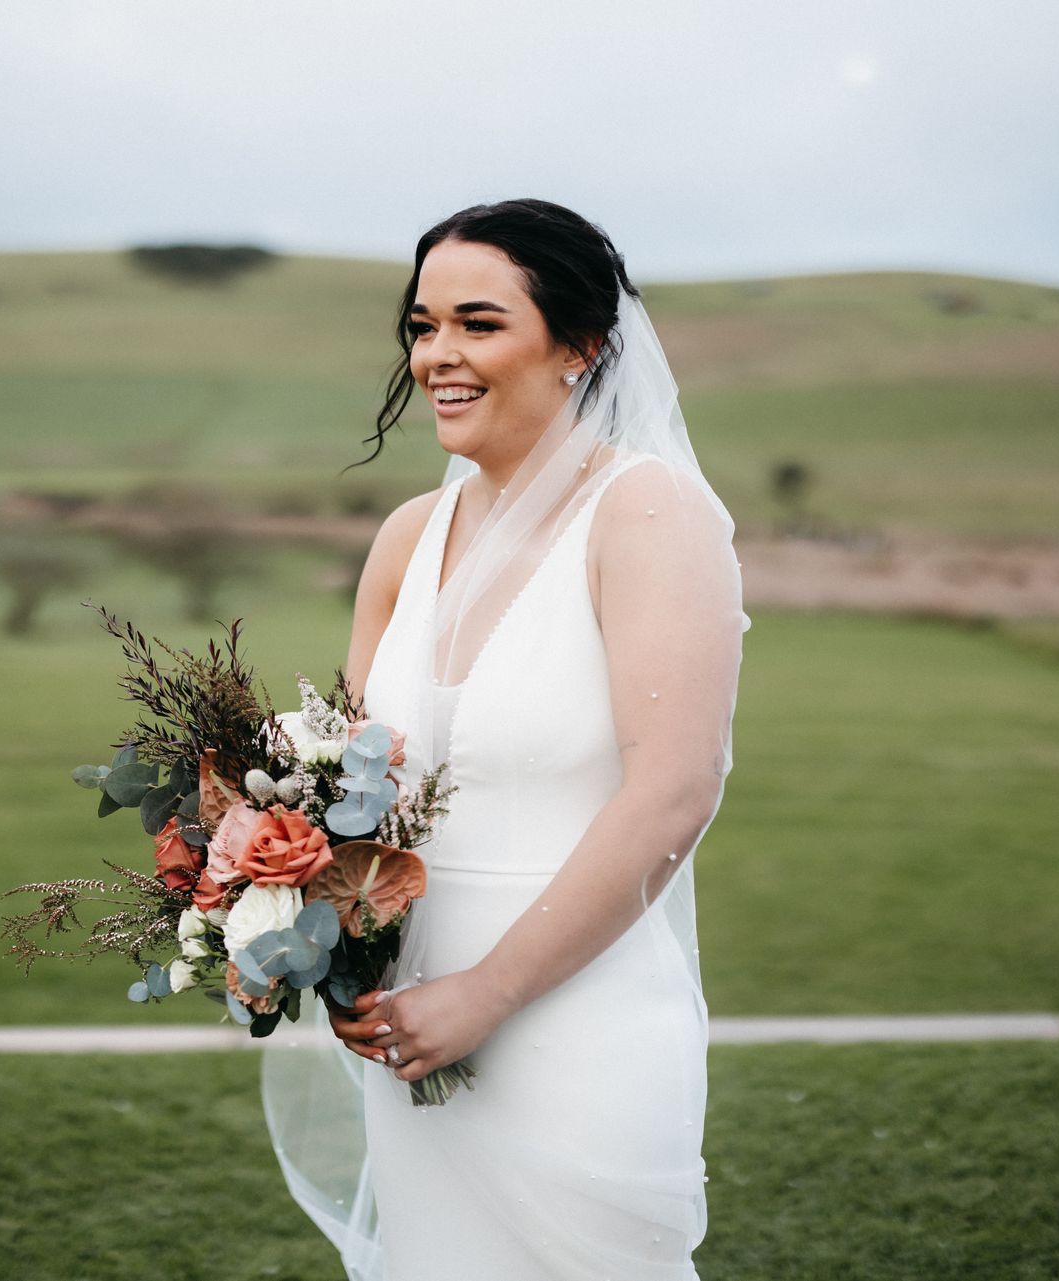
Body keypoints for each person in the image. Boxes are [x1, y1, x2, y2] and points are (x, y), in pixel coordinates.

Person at [259, 198, 747, 1280]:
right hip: (410, 1023)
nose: (439, 354)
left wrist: (487, 994)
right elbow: (352, 797)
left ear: (581, 345)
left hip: (576, 1022)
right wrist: (290, 920)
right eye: (422, 325)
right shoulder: (405, 538)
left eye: (479, 324)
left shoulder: (648, 514)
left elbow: (675, 792)